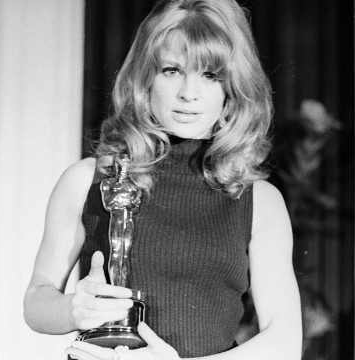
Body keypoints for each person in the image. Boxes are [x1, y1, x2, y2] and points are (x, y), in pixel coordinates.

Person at [23, 0, 302, 359]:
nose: (189, 93)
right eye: (171, 70)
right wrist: (73, 309)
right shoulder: (86, 180)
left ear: (232, 89)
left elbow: (284, 343)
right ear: (145, 79)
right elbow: (36, 301)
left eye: (210, 74)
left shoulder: (259, 200)